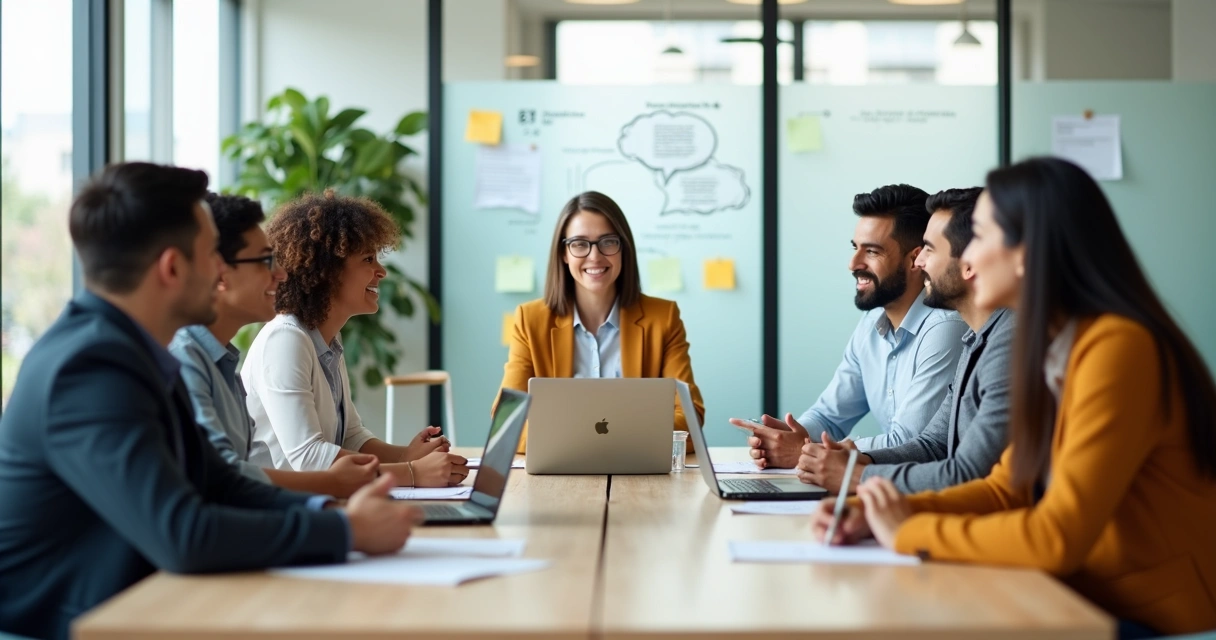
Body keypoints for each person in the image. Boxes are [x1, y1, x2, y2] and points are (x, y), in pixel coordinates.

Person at [0, 163, 422, 640]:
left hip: (136, 605)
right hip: (72, 626)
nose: (222, 273)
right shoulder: (90, 368)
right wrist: (347, 533)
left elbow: (218, 480)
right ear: (173, 268)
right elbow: (183, 533)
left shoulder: (138, 351)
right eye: (211, 257)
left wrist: (335, 515)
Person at [813, 158, 1216, 637]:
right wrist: (871, 513)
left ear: (1026, 252)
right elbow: (1006, 487)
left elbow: (1056, 536)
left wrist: (907, 532)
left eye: (980, 237)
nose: (967, 258)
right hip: (1076, 595)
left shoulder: (1117, 349)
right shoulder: (1047, 344)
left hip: (1141, 615)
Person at [242, 190, 468, 488]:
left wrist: (407, 457)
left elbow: (351, 437)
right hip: (278, 513)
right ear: (327, 270)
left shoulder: (325, 340)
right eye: (367, 259)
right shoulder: (285, 340)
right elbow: (309, 459)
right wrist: (413, 473)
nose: (381, 271)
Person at [796, 188, 1013, 494]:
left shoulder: (1009, 343)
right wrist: (853, 460)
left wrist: (856, 477)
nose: (919, 262)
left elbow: (970, 472)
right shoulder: (976, 337)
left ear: (970, 263)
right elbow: (934, 444)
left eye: (928, 249)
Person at [171, 193, 387, 498]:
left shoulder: (223, 361)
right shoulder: (188, 359)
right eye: (264, 261)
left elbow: (251, 468)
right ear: (218, 272)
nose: (281, 273)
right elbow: (225, 477)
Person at [734, 185, 967, 464]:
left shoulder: (946, 328)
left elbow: (908, 443)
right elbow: (829, 416)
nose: (853, 263)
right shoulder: (871, 324)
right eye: (855, 248)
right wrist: (788, 436)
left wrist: (805, 450)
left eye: (872, 252)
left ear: (915, 259)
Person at [498, 191, 705, 453]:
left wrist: (583, 439)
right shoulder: (530, 320)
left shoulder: (663, 317)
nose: (594, 256)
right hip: (559, 476)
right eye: (579, 243)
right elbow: (507, 422)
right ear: (564, 253)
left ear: (623, 249)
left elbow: (690, 415)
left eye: (607, 242)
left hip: (639, 475)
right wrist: (613, 438)